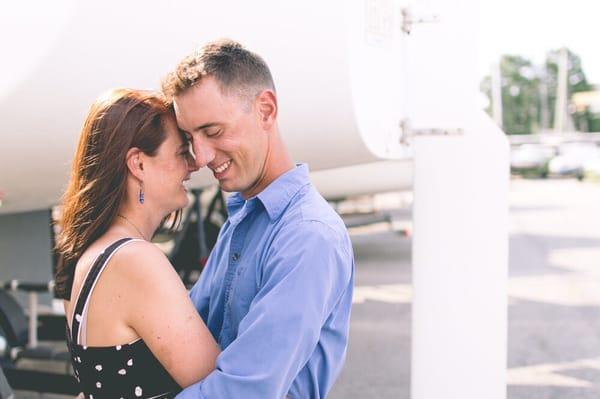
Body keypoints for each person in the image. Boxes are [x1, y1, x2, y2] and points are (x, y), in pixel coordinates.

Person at [161, 39, 355, 399]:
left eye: (214, 132)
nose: (200, 156)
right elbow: (190, 328)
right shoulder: (243, 217)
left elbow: (246, 390)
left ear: (265, 110)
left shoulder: (308, 237)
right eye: (190, 137)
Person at [55, 89, 220, 399]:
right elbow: (220, 388)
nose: (194, 165)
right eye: (181, 152)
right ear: (138, 164)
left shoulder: (94, 253)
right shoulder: (135, 260)